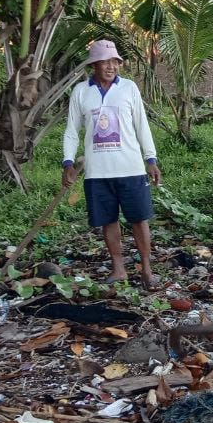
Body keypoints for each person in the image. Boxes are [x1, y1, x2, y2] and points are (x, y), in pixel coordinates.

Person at [62, 39, 162, 289]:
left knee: (139, 219)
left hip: (130, 168)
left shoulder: (129, 88)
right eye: (105, 62)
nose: (111, 66)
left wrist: (151, 159)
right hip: (97, 171)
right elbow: (72, 131)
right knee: (108, 220)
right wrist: (67, 163)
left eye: (115, 61)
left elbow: (142, 125)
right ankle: (119, 270)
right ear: (94, 64)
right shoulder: (81, 92)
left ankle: (147, 270)